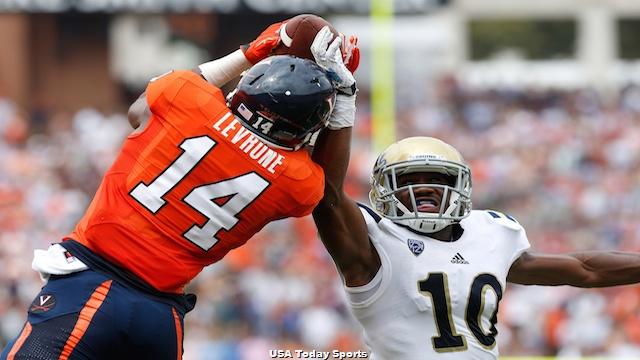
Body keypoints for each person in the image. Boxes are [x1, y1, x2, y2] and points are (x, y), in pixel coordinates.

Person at [0, 19, 353, 360]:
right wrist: (345, 98)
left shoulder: (189, 102)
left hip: (95, 286)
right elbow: (330, 192)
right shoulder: (295, 181)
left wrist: (250, 52)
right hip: (161, 321)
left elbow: (139, 108)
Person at [309, 42, 640, 359]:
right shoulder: (374, 243)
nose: (423, 188)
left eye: (437, 180)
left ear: (461, 186)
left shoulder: (491, 233)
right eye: (409, 180)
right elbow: (328, 196)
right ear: (384, 188)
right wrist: (343, 101)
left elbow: (583, 269)